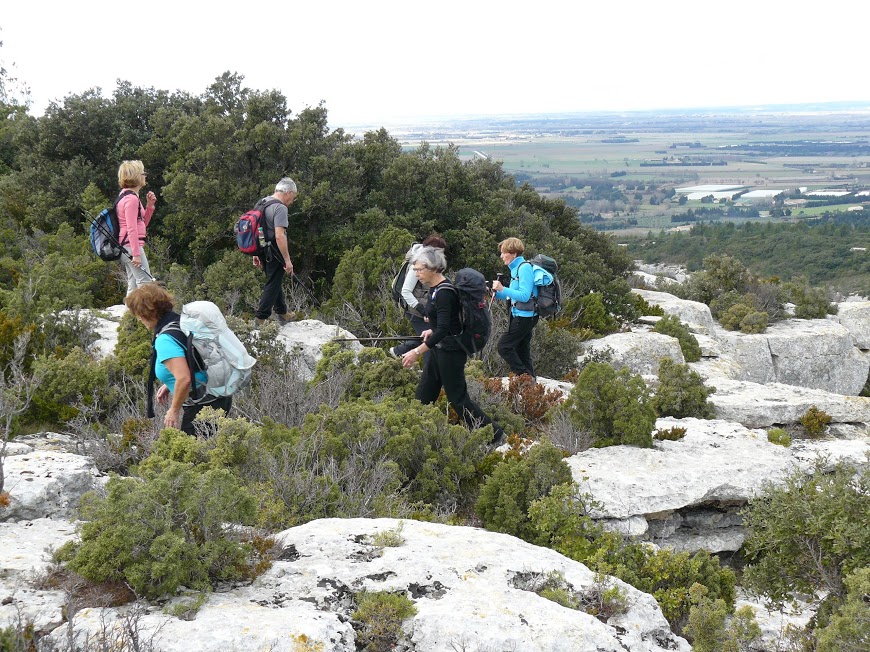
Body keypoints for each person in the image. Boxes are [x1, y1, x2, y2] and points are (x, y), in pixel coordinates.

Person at [401, 246, 505, 445]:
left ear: (433, 268)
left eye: (419, 270)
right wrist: (431, 330)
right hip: (439, 348)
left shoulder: (444, 292)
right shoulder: (436, 289)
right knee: (424, 393)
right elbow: (444, 324)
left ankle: (495, 435)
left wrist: (416, 351)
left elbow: (443, 330)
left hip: (451, 351)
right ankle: (415, 435)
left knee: (457, 398)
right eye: (415, 270)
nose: (416, 274)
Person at [125, 284, 232, 435]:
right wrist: (169, 383)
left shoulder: (165, 339)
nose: (139, 318)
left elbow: (184, 378)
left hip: (203, 403)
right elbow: (193, 357)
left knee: (195, 455)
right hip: (219, 395)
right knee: (213, 448)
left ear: (146, 313)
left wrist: (173, 410)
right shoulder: (179, 322)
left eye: (138, 313)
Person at [390, 233, 448, 360]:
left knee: (431, 337)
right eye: (439, 252)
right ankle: (401, 352)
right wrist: (422, 310)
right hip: (415, 311)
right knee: (429, 341)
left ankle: (399, 351)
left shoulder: (428, 263)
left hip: (426, 307)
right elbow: (406, 291)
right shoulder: (417, 264)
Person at [253, 177, 299, 328]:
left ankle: (282, 312)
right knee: (273, 282)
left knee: (274, 280)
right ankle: (260, 319)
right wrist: (287, 260)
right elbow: (279, 235)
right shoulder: (280, 208)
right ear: (288, 192)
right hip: (274, 250)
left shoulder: (262, 202)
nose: (292, 201)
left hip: (262, 249)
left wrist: (256, 252)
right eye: (293, 197)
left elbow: (257, 229)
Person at [491, 237, 539, 380]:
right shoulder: (516, 269)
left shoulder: (524, 268)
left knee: (504, 347)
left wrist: (502, 288)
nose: (501, 256)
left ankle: (525, 378)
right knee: (522, 350)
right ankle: (532, 385)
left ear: (513, 253)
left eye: (503, 252)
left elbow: (524, 296)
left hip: (524, 317)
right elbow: (512, 296)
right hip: (521, 315)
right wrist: (494, 293)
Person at [116, 160, 157, 296]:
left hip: (125, 246)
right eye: (143, 173)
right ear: (136, 176)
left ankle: (128, 316)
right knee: (145, 284)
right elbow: (131, 228)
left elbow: (142, 224)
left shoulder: (127, 196)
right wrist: (136, 254)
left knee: (133, 285)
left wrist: (150, 206)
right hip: (131, 247)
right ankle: (144, 316)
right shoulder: (132, 199)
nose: (145, 176)